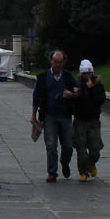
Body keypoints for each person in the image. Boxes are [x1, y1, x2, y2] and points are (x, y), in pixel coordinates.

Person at [31, 49, 79, 182]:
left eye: (60, 62)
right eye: (55, 62)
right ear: (51, 61)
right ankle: (52, 172)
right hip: (49, 116)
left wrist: (71, 94)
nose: (58, 65)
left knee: (68, 145)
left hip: (65, 115)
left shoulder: (68, 77)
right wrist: (33, 115)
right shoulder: (43, 77)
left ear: (64, 62)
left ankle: (64, 162)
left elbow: (79, 91)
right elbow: (36, 97)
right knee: (51, 145)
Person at [73, 59, 106, 182]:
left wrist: (91, 88)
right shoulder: (77, 85)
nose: (87, 76)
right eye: (85, 73)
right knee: (81, 148)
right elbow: (76, 99)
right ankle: (83, 172)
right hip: (80, 120)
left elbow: (100, 99)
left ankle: (91, 164)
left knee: (95, 149)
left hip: (93, 120)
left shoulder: (98, 85)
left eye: (89, 73)